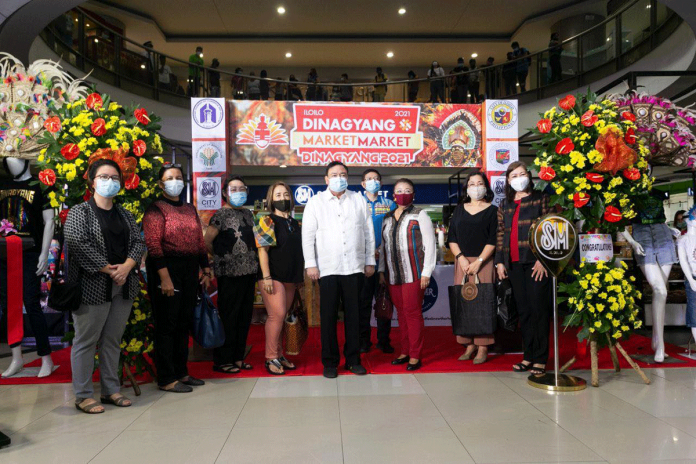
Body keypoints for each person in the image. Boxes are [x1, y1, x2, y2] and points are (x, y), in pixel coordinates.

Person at [64, 159, 145, 413]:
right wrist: (108, 268)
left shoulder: (124, 214)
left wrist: (127, 266)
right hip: (92, 286)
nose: (109, 181)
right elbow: (77, 242)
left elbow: (138, 243)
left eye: (114, 177)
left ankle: (111, 390)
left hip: (123, 284)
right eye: (104, 176)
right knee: (86, 340)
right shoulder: (80, 212)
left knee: (112, 339)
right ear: (92, 180)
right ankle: (84, 395)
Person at [302, 161, 375, 378]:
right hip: (328, 268)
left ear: (348, 177)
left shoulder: (358, 200)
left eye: (343, 174)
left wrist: (369, 260)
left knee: (354, 316)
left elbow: (368, 233)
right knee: (328, 317)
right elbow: (308, 237)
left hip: (354, 267)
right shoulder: (315, 203)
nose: (339, 177)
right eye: (334, 174)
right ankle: (330, 362)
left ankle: (353, 360)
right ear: (326, 179)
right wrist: (311, 264)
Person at [143, 164, 211, 393]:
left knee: (184, 322)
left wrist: (206, 269)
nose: (175, 181)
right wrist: (165, 278)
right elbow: (153, 245)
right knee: (167, 324)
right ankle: (166, 377)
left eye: (179, 177)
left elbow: (200, 242)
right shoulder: (155, 209)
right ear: (161, 183)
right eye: (170, 178)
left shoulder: (189, 209)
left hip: (189, 269)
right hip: (166, 270)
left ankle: (181, 372)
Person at [495, 161, 552, 376]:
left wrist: (543, 259)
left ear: (528, 175)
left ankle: (540, 358)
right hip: (514, 264)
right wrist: (500, 261)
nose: (519, 178)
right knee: (524, 311)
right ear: (508, 181)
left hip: (536, 262)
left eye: (522, 173)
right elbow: (501, 235)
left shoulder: (541, 199)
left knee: (539, 309)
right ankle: (528, 356)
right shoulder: (505, 205)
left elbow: (550, 229)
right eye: (513, 176)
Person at [379, 179, 436, 371]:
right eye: (399, 190)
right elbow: (383, 247)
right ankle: (404, 351)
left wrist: (427, 272)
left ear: (413, 194)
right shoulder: (386, 218)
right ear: (393, 195)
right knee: (401, 315)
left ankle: (415, 354)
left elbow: (430, 245)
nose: (403, 193)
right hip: (393, 275)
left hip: (414, 273)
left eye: (407, 190)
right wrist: (381, 271)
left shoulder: (420, 215)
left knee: (412, 314)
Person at [203, 176, 259, 374]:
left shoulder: (248, 214)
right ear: (225, 193)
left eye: (241, 188)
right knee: (228, 316)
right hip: (229, 273)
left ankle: (237, 357)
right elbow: (207, 242)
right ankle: (222, 360)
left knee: (244, 317)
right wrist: (220, 257)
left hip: (249, 271)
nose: (238, 192)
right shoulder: (219, 215)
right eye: (233, 189)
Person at [253, 182, 304, 375]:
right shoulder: (266, 220)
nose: (282, 198)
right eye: (278, 195)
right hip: (272, 276)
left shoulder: (294, 223)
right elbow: (262, 251)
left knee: (282, 317)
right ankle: (270, 357)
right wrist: (266, 276)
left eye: (285, 194)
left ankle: (279, 354)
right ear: (270, 199)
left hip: (291, 277)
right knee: (277, 315)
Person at [447, 171, 497, 364]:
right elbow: (452, 237)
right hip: (462, 262)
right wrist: (460, 258)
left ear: (485, 187)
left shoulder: (493, 210)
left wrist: (479, 262)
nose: (476, 187)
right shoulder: (459, 209)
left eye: (480, 183)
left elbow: (493, 239)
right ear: (466, 188)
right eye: (472, 184)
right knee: (465, 302)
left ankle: (483, 346)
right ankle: (468, 344)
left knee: (483, 302)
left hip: (483, 262)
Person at [359, 169, 396, 354]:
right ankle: (363, 341)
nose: (373, 181)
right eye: (369, 179)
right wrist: (367, 250)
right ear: (363, 184)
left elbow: (394, 230)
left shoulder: (389, 204)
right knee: (363, 304)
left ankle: (384, 340)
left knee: (384, 302)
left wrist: (381, 249)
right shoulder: (357, 203)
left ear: (380, 183)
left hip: (385, 262)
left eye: (376, 179)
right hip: (363, 262)